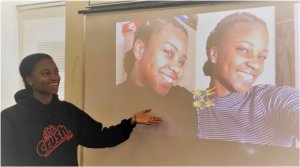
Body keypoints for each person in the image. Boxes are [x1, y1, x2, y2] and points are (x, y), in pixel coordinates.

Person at [1, 53, 162, 166]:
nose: (55, 77)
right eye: (45, 73)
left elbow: (99, 137)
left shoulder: (68, 112)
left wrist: (131, 121)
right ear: (29, 79)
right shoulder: (9, 119)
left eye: (56, 71)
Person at [193, 12, 299, 147]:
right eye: (244, 49)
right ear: (214, 54)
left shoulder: (271, 100)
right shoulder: (192, 102)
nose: (256, 64)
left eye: (262, 57)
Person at [115, 17, 197, 136]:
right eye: (168, 52)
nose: (177, 69)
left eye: (181, 61)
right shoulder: (112, 99)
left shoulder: (186, 102)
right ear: (139, 49)